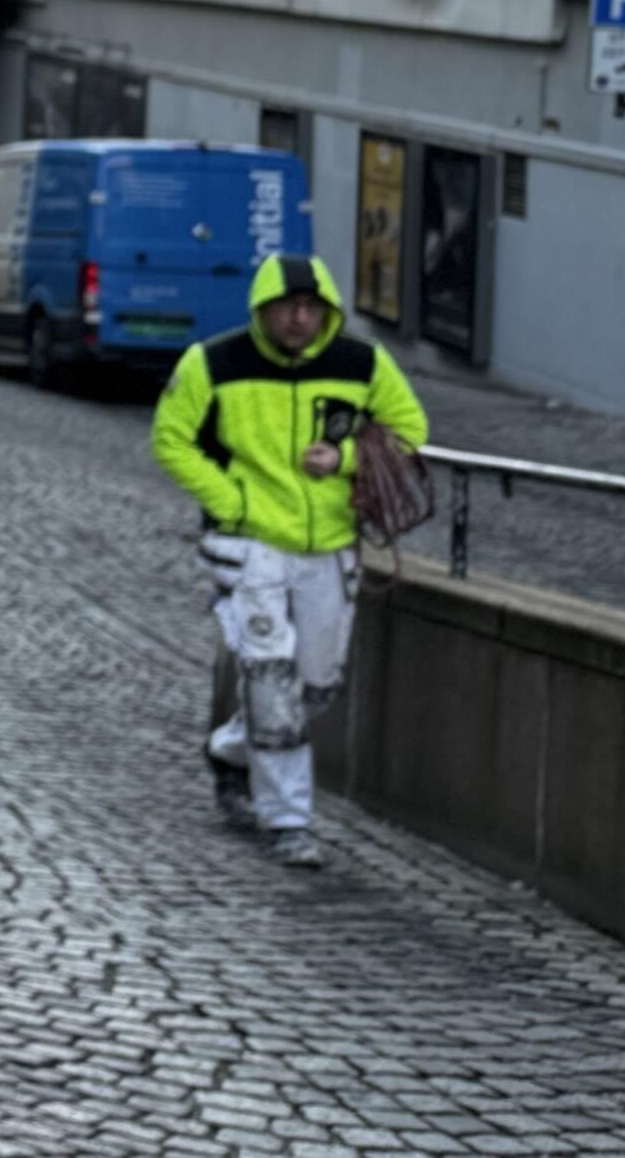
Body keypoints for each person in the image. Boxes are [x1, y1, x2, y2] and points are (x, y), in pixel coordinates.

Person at [150, 251, 425, 872]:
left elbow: (409, 428)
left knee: (316, 687)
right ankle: (289, 821)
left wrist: (347, 459)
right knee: (272, 681)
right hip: (249, 546)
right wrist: (234, 502)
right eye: (286, 307)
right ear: (262, 309)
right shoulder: (212, 363)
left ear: (326, 311)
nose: (299, 318)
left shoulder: (361, 363)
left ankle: (230, 749)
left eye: (310, 307)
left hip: (329, 544)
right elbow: (170, 438)